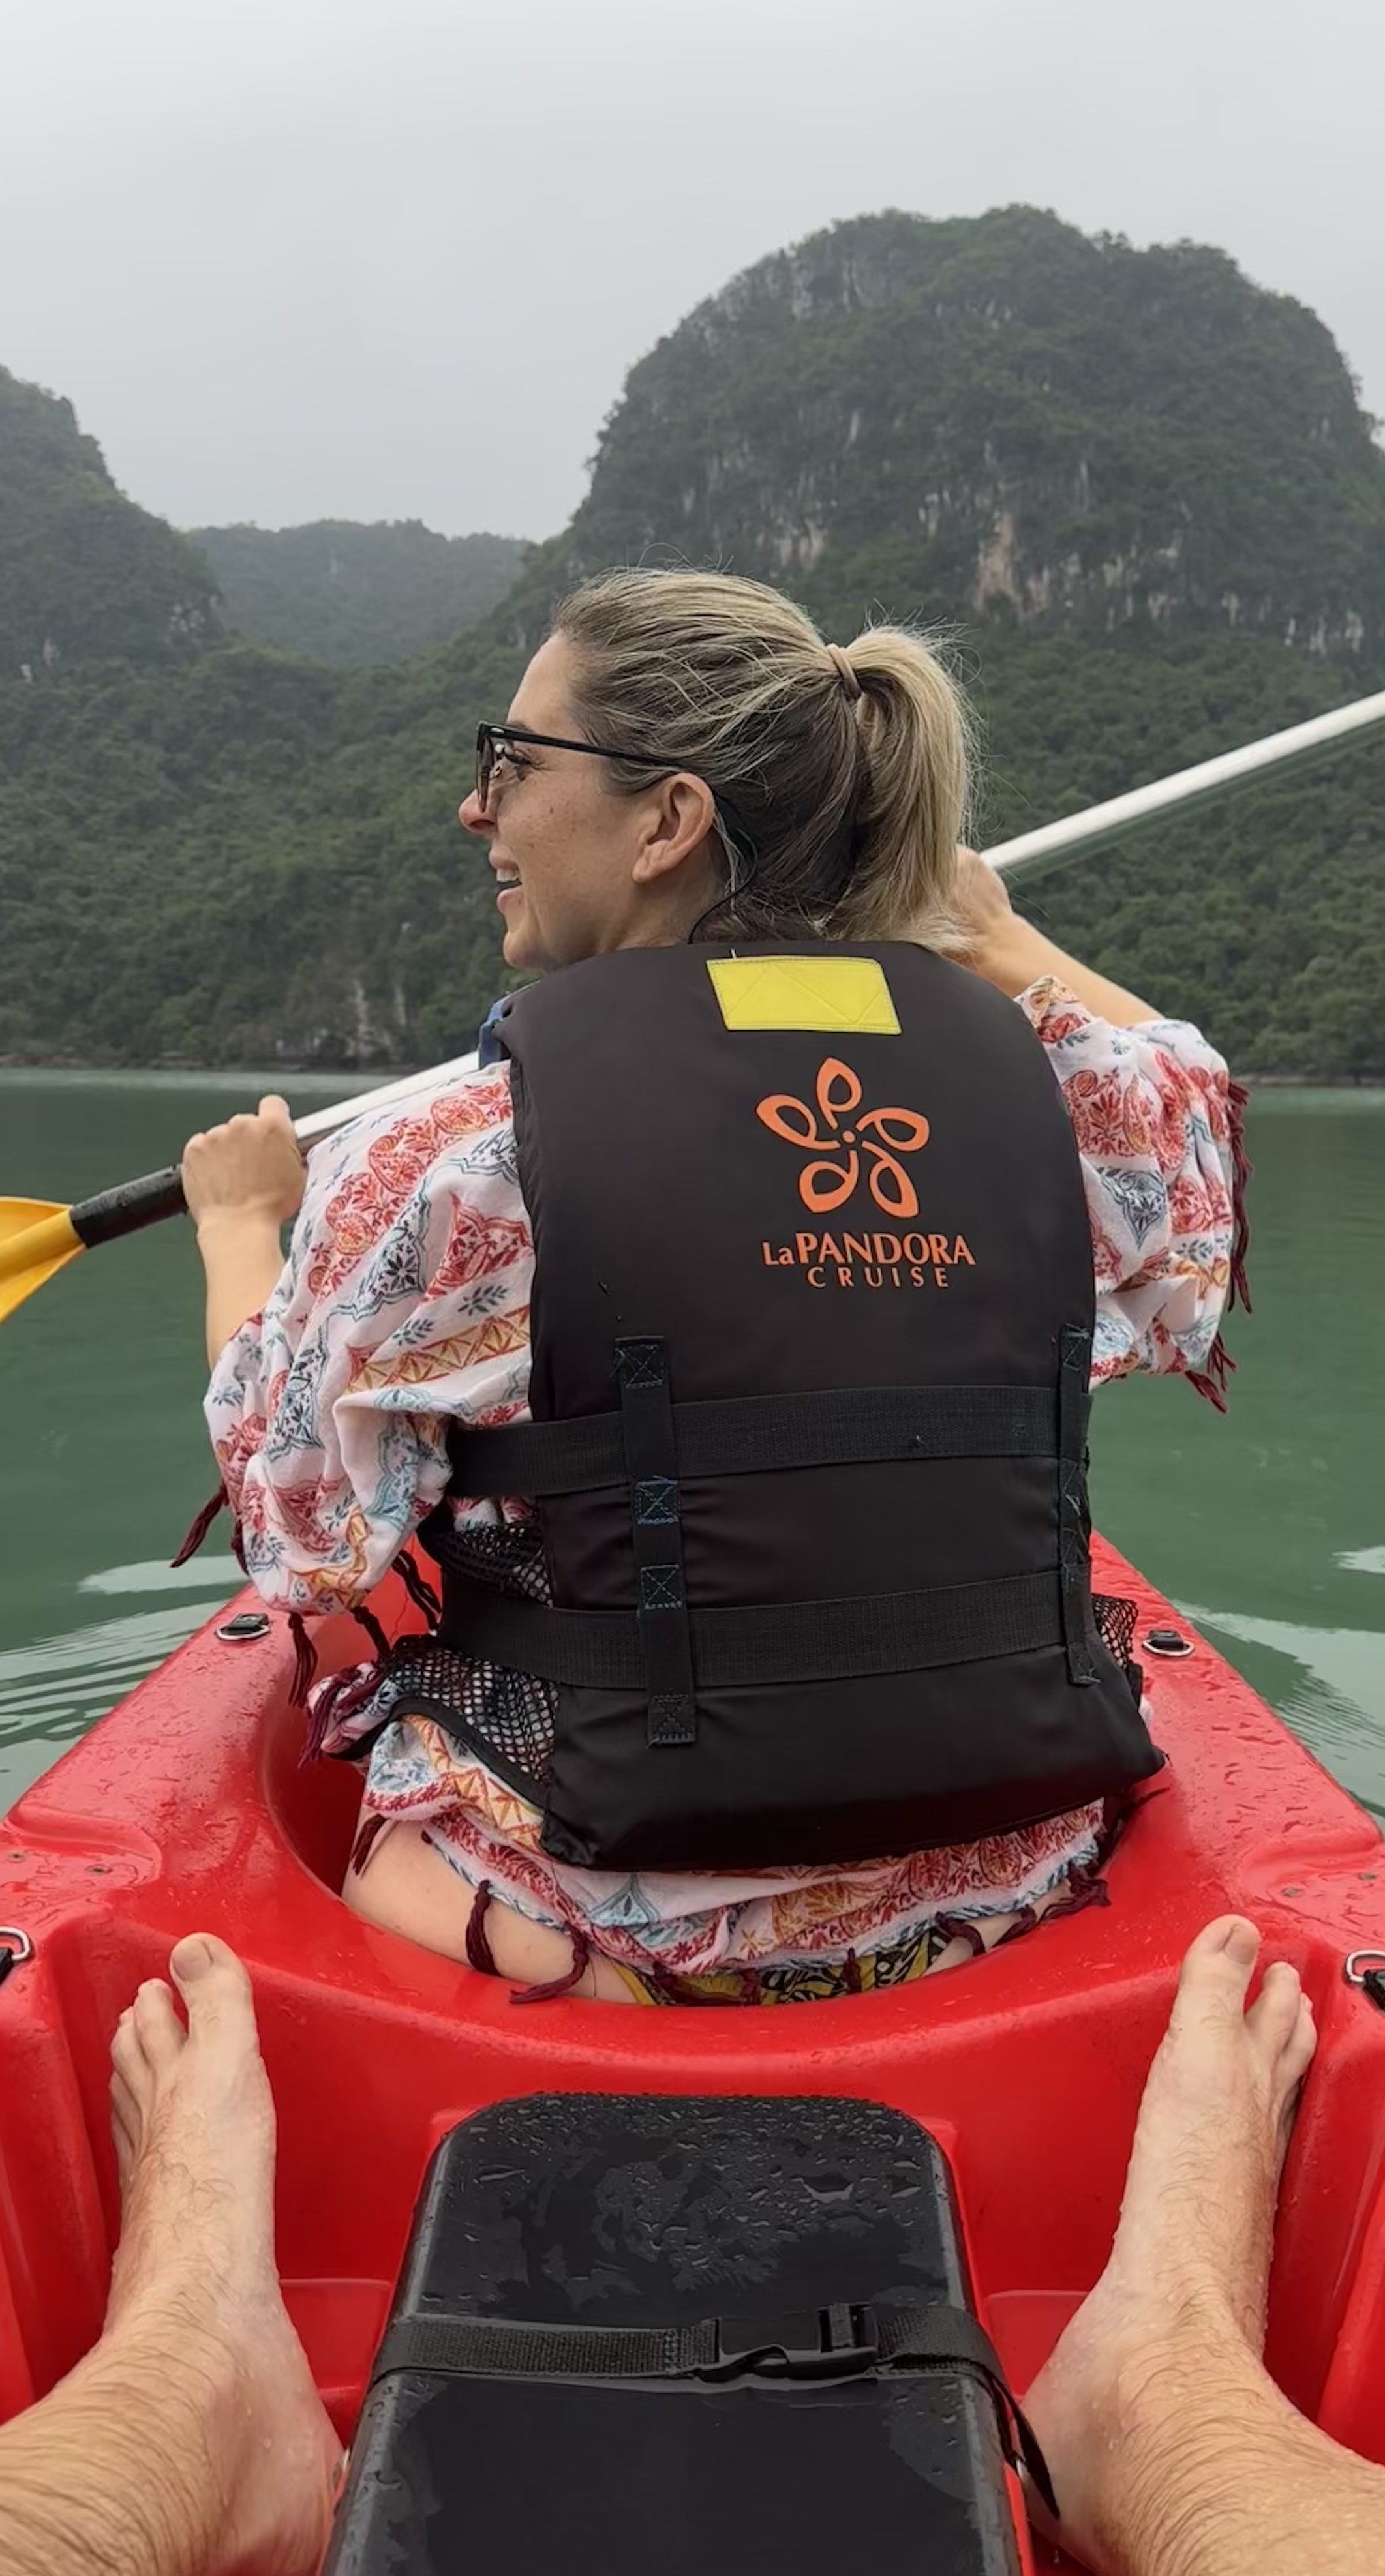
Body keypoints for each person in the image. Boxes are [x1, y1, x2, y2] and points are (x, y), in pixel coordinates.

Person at [181, 568, 1247, 2004]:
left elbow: (304, 1542)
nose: (476, 809)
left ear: (670, 821)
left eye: (510, 763)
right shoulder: (1060, 1097)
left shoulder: (446, 1164)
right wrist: (995, 936)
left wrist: (242, 1232)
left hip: (575, 1933)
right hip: (1001, 1902)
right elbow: (1192, 1124)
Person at [0, 1921, 1385, 2576]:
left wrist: (240, 1230)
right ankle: (1181, 2415)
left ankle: (172, 2412)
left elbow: (307, 1548)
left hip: (504, 1906)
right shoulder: (1105, 1143)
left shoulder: (415, 1181)